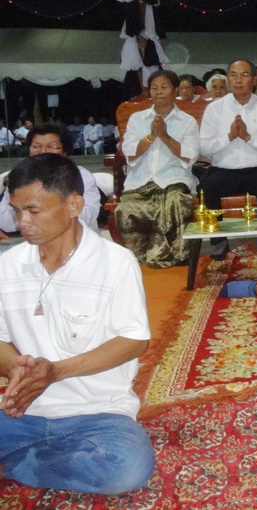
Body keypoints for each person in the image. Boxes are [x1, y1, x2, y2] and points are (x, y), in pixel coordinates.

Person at [0, 154, 154, 494]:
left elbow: (134, 341)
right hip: (23, 413)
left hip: (99, 414)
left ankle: (18, 464)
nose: (22, 222)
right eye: (16, 210)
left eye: (33, 210)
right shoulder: (7, 265)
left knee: (125, 469)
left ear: (73, 205)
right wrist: (16, 368)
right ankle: (44, 460)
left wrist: (56, 371)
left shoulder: (115, 262)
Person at [115, 70, 200, 268]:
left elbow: (190, 155)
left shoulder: (187, 121)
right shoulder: (137, 119)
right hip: (141, 180)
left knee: (176, 201)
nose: (158, 91)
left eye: (164, 87)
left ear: (175, 90)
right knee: (125, 208)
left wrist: (166, 137)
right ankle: (137, 256)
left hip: (174, 179)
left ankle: (168, 256)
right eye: (154, 88)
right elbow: (129, 153)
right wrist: (151, 136)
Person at [199, 59, 257, 220]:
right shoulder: (214, 109)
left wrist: (248, 138)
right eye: (233, 75)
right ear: (228, 79)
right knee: (207, 187)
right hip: (224, 170)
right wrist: (229, 137)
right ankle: (217, 235)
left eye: (244, 74)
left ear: (255, 79)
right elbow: (204, 148)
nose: (238, 80)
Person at [0, 123, 102, 234]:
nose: (43, 152)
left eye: (51, 146)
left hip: (77, 239)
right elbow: (5, 222)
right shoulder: (19, 176)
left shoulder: (82, 175)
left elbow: (87, 217)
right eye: (36, 146)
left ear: (64, 152)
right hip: (33, 240)